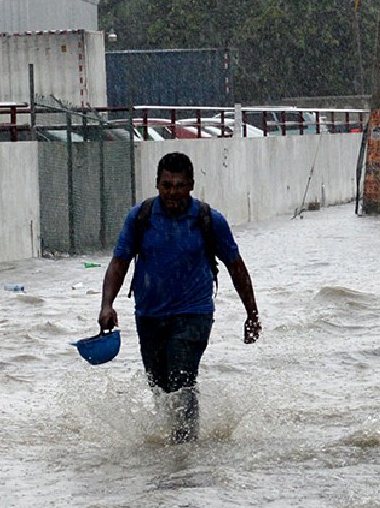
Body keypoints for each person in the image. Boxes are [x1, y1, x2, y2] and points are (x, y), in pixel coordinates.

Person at [98, 152, 260, 444]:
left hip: (193, 315)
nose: (173, 192)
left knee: (181, 380)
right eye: (167, 185)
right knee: (159, 386)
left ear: (191, 185)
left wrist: (252, 313)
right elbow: (119, 262)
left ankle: (185, 449)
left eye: (180, 185)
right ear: (157, 184)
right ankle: (172, 438)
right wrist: (107, 304)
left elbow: (236, 267)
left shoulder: (208, 220)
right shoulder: (141, 217)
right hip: (149, 316)